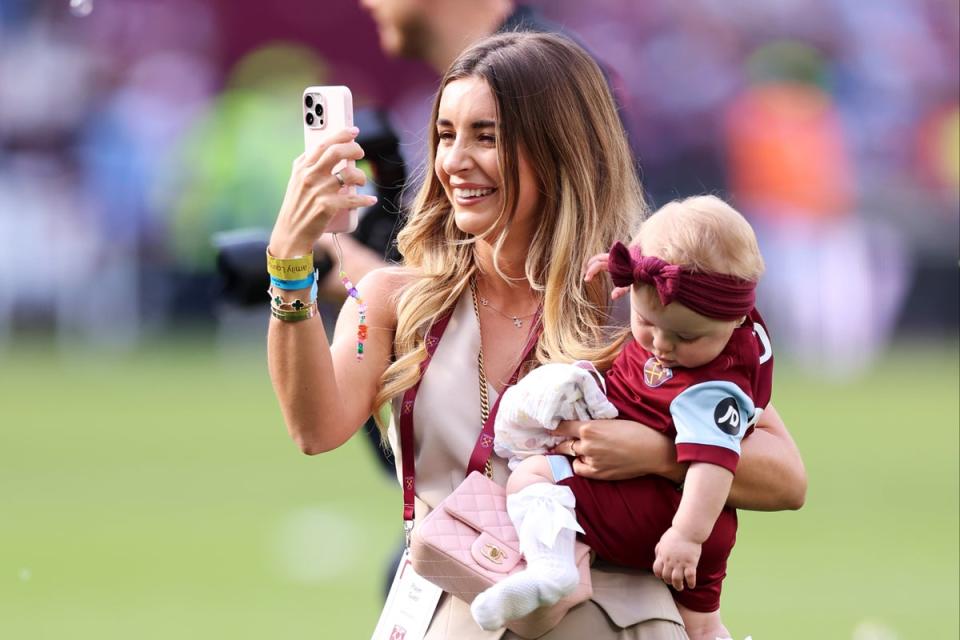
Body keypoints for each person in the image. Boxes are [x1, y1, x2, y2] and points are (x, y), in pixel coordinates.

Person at [267, 32, 806, 639]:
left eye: (487, 136)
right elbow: (315, 429)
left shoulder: (630, 301)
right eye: (446, 135)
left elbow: (785, 476)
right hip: (453, 613)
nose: (455, 161)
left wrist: (653, 453)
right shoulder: (397, 299)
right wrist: (289, 260)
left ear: (557, 148)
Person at [470, 196, 773, 640]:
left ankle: (550, 567)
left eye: (686, 336)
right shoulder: (717, 331)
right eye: (646, 323)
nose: (662, 346)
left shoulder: (715, 387)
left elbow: (714, 461)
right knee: (703, 627)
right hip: (702, 527)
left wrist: (686, 536)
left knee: (533, 475)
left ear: (733, 319)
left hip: (675, 514)